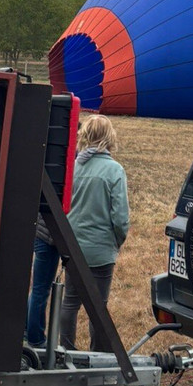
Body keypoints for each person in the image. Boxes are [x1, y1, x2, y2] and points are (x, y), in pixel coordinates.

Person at [58, 115, 130, 353]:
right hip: (100, 249)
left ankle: (65, 350)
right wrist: (116, 242)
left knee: (70, 302)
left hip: (73, 245)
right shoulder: (114, 170)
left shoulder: (73, 166)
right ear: (109, 137)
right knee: (98, 307)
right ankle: (99, 354)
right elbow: (120, 218)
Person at [25, 213, 61, 348]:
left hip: (41, 234)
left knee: (37, 289)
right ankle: (36, 338)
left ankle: (28, 331)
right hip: (48, 237)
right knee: (40, 290)